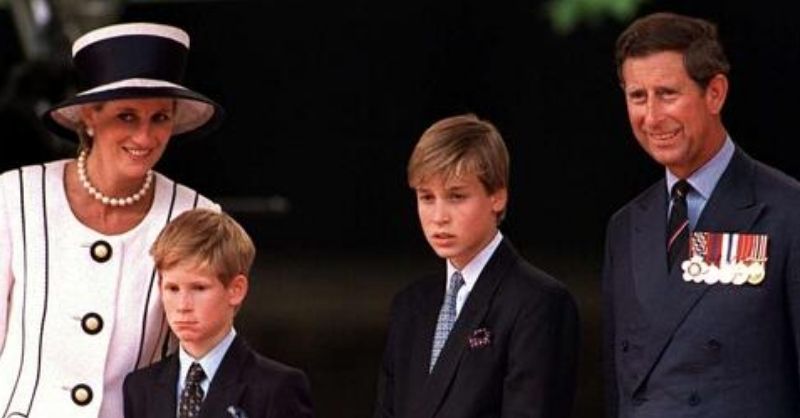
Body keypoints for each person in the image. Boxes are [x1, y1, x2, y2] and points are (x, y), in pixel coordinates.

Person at [0, 22, 224, 418]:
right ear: (89, 117)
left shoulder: (196, 216)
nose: (145, 137)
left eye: (160, 118)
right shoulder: (15, 197)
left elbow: (202, 365)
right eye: (127, 116)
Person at [603, 12, 800, 417]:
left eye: (667, 94)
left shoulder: (788, 212)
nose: (651, 117)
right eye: (638, 97)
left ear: (715, 93)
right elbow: (618, 389)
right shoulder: (625, 226)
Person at [374, 114, 580, 418]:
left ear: (498, 196)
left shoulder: (540, 303)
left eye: (456, 196)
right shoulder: (410, 305)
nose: (439, 217)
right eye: (426, 197)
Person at [123, 208, 314, 418]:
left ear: (236, 290)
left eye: (199, 288)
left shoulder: (276, 388)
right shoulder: (140, 388)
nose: (183, 305)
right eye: (173, 288)